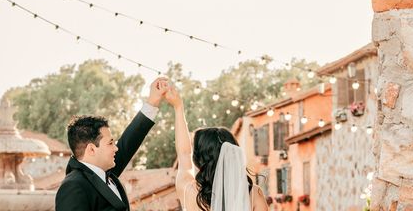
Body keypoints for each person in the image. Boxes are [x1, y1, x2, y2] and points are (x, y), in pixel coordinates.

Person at [55, 77, 168, 211]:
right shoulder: (73, 187)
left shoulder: (103, 172)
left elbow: (129, 142)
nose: (116, 148)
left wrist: (153, 101)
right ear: (91, 149)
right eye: (110, 143)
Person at [162, 82, 269, 211]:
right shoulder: (253, 195)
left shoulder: (190, 191)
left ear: (200, 158)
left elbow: (184, 154)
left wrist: (178, 107)